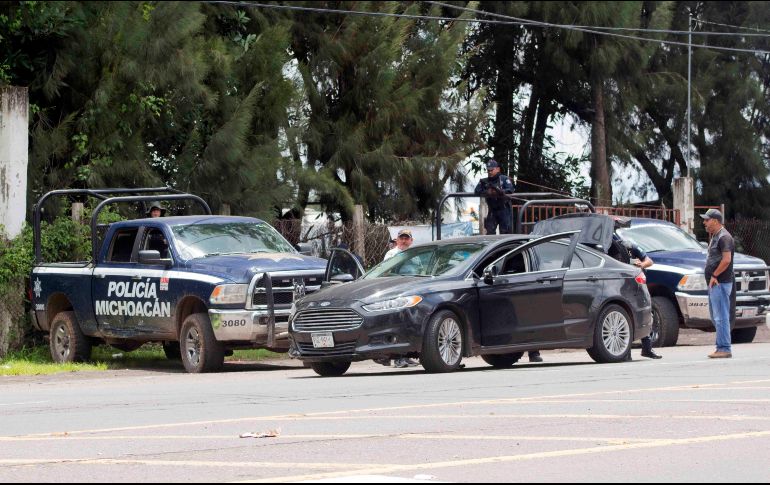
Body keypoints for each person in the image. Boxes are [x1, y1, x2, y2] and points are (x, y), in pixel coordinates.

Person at [375, 228, 419, 368]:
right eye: (402, 238)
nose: (404, 241)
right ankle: (397, 357)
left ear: (411, 241)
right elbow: (385, 273)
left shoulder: (415, 255)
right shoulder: (392, 254)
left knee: (409, 325)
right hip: (396, 295)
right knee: (397, 325)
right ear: (397, 240)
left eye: (407, 238)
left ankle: (406, 356)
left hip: (411, 294)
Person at [616, 235, 662, 359]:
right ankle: (626, 353)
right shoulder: (608, 248)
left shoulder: (629, 245)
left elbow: (649, 261)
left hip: (637, 284)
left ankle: (647, 349)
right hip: (620, 286)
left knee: (644, 313)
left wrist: (640, 265)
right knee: (625, 316)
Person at [701, 208, 735, 359]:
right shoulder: (716, 236)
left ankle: (724, 348)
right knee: (717, 316)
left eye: (707, 220)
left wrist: (715, 275)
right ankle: (721, 346)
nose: (704, 223)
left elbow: (726, 260)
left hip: (720, 282)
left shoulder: (724, 237)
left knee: (721, 316)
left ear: (715, 221)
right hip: (715, 283)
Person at [474, 159, 515, 235]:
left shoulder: (504, 179)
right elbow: (477, 191)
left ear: (498, 169)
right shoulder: (484, 181)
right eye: (488, 170)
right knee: (489, 232)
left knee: (505, 233)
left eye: (491, 170)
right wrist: (487, 192)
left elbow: (511, 190)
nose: (489, 172)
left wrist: (500, 192)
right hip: (492, 210)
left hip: (504, 209)